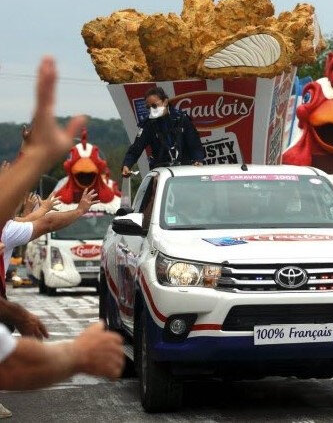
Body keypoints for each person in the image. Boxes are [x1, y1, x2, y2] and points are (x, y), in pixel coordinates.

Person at [0, 56, 124, 395]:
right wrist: (77, 355)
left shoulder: (9, 229)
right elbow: (16, 367)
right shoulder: (10, 228)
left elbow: (43, 219)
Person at [122, 86, 205, 174]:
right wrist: (127, 164)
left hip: (185, 168)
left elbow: (195, 143)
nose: (152, 109)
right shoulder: (148, 125)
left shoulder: (181, 119)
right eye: (148, 107)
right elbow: (136, 148)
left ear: (165, 102)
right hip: (161, 171)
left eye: (154, 105)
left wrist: (198, 159)